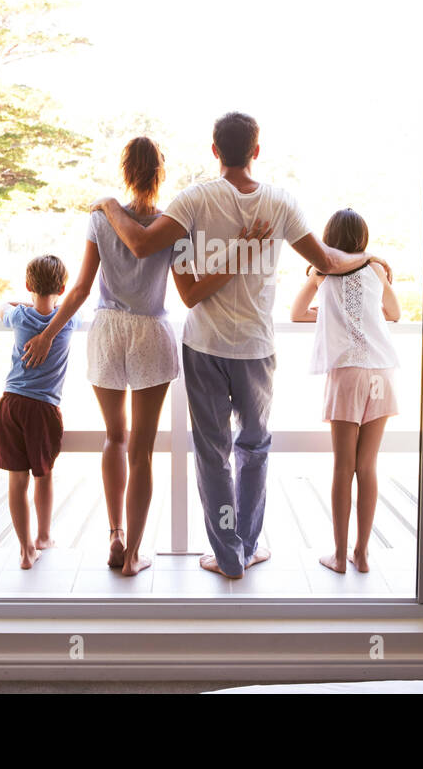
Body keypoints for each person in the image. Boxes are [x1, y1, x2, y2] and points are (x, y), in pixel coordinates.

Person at [93, 112, 392, 580]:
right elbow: (330, 262)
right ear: (257, 150)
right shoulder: (282, 203)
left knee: (214, 454)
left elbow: (141, 242)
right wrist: (368, 257)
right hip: (256, 349)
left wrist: (108, 204)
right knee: (254, 449)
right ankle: (247, 547)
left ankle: (229, 554)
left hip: (205, 347)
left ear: (215, 151)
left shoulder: (193, 199)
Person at [23, 137, 271, 575]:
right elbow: (189, 291)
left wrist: (47, 335)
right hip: (150, 334)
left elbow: (79, 289)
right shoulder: (171, 226)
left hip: (107, 331)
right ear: (160, 172)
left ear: (124, 169)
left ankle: (115, 534)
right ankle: (133, 555)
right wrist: (241, 248)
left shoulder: (101, 219)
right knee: (141, 452)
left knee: (114, 439)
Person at [290, 209, 401, 573]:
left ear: (328, 239)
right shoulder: (376, 268)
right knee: (367, 467)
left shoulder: (321, 273)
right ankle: (363, 553)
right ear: (363, 239)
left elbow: (296, 313)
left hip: (348, 373)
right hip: (380, 371)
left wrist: (322, 299)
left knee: (343, 467)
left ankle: (338, 556)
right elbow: (394, 312)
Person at [0, 254, 79, 570]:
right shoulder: (68, 322)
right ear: (64, 288)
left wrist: (18, 300)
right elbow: (77, 307)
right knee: (43, 474)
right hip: (43, 409)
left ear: (28, 285)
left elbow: (2, 305)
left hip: (11, 403)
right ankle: (43, 536)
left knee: (16, 479)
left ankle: (25, 550)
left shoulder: (20, 317)